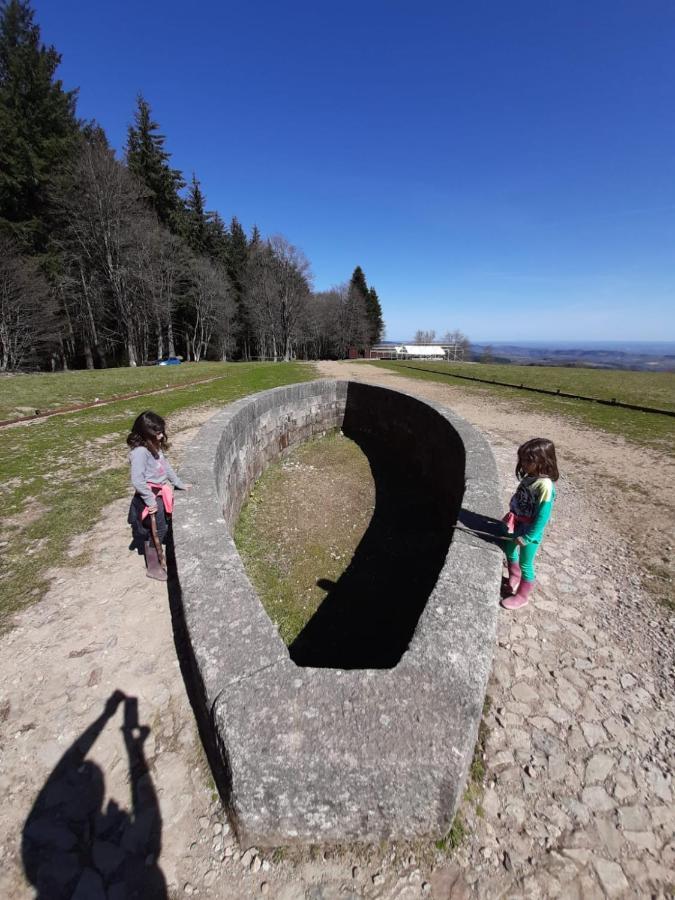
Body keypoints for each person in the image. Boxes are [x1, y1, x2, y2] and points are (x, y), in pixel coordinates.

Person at [126, 410, 188, 581]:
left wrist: (178, 483)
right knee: (156, 530)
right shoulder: (140, 452)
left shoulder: (154, 445)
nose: (161, 436)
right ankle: (153, 567)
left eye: (161, 432)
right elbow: (138, 481)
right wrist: (150, 500)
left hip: (160, 492)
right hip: (150, 496)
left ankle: (163, 550)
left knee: (163, 525)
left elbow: (165, 467)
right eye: (157, 433)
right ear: (146, 433)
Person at [501, 437, 559, 610]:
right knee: (509, 548)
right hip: (517, 523)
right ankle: (514, 576)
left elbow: (543, 516)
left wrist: (528, 537)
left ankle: (522, 596)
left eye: (528, 461)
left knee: (526, 563)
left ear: (543, 461)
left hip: (530, 530)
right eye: (522, 460)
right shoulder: (530, 477)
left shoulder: (545, 486)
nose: (523, 464)